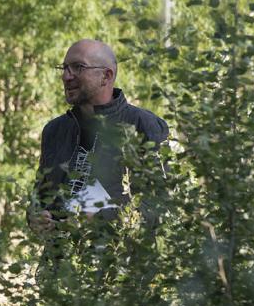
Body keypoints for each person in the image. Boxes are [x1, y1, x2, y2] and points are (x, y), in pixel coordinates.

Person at [28, 39, 168, 233]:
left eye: (78, 67)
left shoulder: (144, 125)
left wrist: (103, 218)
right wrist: (36, 217)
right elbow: (39, 198)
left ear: (106, 76)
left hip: (118, 251)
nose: (66, 76)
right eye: (64, 68)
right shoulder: (55, 130)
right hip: (60, 252)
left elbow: (162, 205)